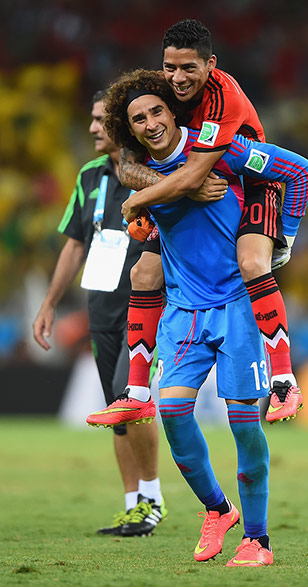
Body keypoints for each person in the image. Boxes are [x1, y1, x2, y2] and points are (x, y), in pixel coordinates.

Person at [86, 70, 308, 566]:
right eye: (137, 119)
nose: (149, 124)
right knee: (172, 414)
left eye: (156, 112)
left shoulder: (220, 152)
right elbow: (147, 238)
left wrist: (281, 238)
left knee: (244, 428)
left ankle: (257, 540)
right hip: (186, 312)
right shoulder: (142, 168)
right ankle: (218, 509)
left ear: (174, 112)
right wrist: (146, 212)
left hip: (236, 307)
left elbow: (298, 171)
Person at [102, 19, 306, 426]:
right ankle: (137, 393)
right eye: (169, 67)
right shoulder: (164, 99)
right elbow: (126, 161)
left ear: (210, 64)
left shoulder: (221, 100)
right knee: (143, 272)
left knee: (251, 263)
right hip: (198, 194)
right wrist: (160, 190)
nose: (177, 78)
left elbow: (199, 176)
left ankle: (284, 381)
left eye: (188, 69)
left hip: (250, 184)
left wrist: (287, 236)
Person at [32, 90, 168, 538]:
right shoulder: (90, 176)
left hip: (148, 305)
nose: (91, 128)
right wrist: (50, 303)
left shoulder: (156, 170)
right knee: (116, 406)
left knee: (130, 400)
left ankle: (152, 498)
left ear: (118, 125)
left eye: (98, 120)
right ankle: (133, 506)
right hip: (102, 305)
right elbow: (75, 242)